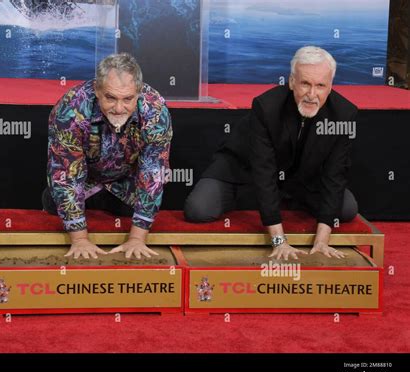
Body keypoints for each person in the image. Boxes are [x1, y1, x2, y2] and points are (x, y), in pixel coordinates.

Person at [184, 46, 358, 261]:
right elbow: (263, 169)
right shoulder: (266, 107)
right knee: (199, 208)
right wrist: (279, 241)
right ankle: (263, 203)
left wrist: (322, 241)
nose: (312, 94)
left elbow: (335, 174)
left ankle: (281, 200)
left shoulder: (344, 114)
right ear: (292, 81)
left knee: (346, 208)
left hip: (299, 181)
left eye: (320, 85)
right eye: (305, 84)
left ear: (330, 86)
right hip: (244, 173)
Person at [42, 53, 172, 259]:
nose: (119, 108)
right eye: (111, 98)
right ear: (97, 90)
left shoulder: (155, 110)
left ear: (138, 92)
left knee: (135, 209)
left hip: (125, 183)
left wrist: (137, 239)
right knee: (52, 203)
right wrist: (80, 240)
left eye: (128, 99)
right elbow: (67, 173)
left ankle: (103, 202)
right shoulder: (71, 107)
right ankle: (88, 206)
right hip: (84, 181)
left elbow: (153, 172)